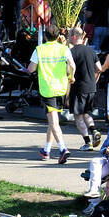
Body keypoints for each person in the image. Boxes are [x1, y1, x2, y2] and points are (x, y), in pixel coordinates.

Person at [27, 29, 76, 163]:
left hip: (48, 89)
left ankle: (62, 148)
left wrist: (28, 69)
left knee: (54, 122)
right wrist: (71, 77)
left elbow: (31, 68)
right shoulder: (64, 49)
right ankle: (47, 149)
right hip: (61, 88)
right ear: (57, 36)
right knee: (53, 121)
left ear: (46, 36)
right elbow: (72, 65)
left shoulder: (40, 49)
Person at [65, 26, 101, 150]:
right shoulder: (91, 51)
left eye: (69, 35)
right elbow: (99, 68)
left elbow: (68, 70)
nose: (68, 38)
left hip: (79, 87)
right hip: (91, 87)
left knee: (78, 116)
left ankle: (88, 142)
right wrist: (94, 80)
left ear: (74, 37)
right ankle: (94, 130)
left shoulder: (71, 52)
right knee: (86, 113)